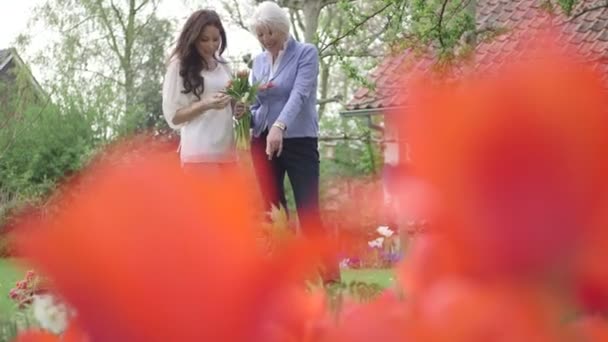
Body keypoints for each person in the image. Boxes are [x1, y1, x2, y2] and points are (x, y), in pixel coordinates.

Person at [235, 1, 339, 283]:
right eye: (261, 35)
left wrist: (279, 126)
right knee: (274, 212)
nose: (266, 40)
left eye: (270, 33)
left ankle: (330, 277)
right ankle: (287, 277)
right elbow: (258, 105)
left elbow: (299, 95)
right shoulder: (257, 62)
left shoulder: (306, 54)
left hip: (299, 140)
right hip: (263, 142)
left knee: (308, 211)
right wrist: (246, 112)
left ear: (282, 28)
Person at [162, 9, 235, 170]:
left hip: (228, 152)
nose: (211, 45)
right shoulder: (179, 66)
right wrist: (205, 104)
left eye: (216, 39)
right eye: (204, 40)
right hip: (199, 154)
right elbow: (174, 117)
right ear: (193, 39)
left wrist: (239, 107)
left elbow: (233, 104)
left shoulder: (224, 65)